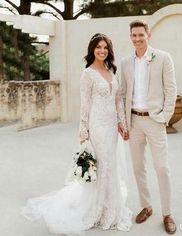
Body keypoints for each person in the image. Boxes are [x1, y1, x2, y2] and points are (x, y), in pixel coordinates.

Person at [21, 33, 132, 235]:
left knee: (111, 166)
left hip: (111, 127)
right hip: (97, 126)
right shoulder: (88, 74)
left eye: (105, 47)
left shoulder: (111, 70)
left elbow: (118, 100)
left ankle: (111, 207)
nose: (102, 50)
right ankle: (97, 210)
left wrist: (122, 124)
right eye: (98, 47)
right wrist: (83, 131)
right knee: (102, 166)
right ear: (92, 50)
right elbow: (85, 104)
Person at [119, 20, 177, 234]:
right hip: (133, 121)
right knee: (137, 167)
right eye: (133, 35)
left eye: (140, 35)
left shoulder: (163, 57)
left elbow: (171, 90)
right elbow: (123, 93)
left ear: (148, 35)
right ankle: (146, 206)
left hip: (155, 120)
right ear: (130, 37)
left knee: (162, 167)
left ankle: (167, 213)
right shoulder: (125, 63)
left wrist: (165, 117)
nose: (137, 39)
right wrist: (123, 122)